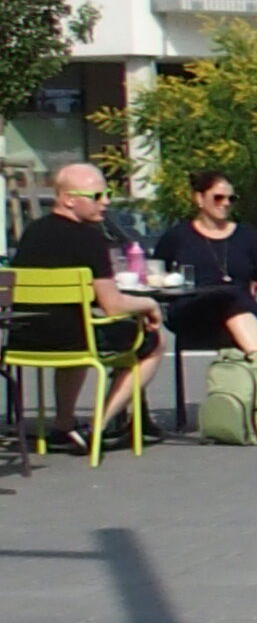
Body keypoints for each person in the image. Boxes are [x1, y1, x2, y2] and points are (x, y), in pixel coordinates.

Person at [9, 163, 162, 453]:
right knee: (152, 341)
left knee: (77, 328)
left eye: (107, 194)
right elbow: (113, 305)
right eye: (97, 195)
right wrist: (149, 303)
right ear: (68, 199)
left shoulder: (32, 233)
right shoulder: (90, 238)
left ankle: (63, 425)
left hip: (24, 337)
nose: (105, 202)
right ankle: (98, 425)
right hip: (74, 340)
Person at [153, 165, 257, 385]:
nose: (225, 204)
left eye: (230, 199)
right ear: (199, 198)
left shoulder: (247, 236)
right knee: (230, 296)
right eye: (218, 198)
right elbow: (155, 272)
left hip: (241, 313)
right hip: (195, 316)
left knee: (232, 297)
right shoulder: (178, 237)